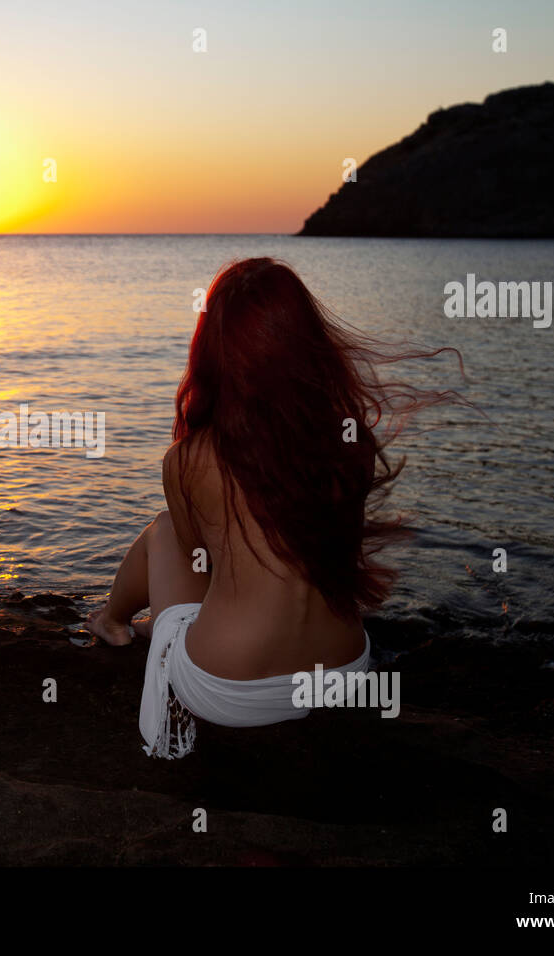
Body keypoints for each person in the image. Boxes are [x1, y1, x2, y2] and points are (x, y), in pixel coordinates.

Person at [85, 257, 465, 757]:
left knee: (163, 532)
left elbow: (198, 557)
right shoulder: (350, 441)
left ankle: (111, 622)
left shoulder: (189, 458)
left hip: (230, 688)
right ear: (307, 341)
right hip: (345, 672)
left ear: (213, 349)